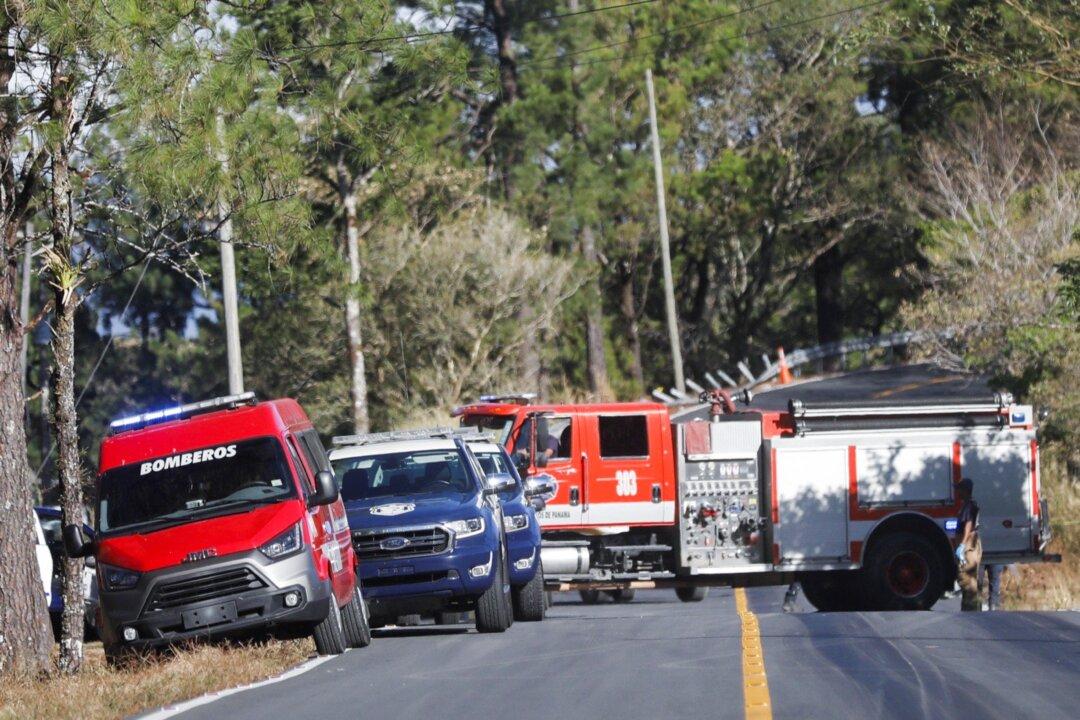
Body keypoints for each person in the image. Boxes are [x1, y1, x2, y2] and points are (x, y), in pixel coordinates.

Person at [953, 477, 982, 611]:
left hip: (969, 544)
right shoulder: (970, 504)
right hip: (971, 542)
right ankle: (972, 608)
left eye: (959, 489)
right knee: (969, 579)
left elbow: (968, 525)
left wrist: (962, 545)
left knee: (967, 578)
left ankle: (971, 611)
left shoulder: (968, 506)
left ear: (965, 490)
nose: (957, 492)